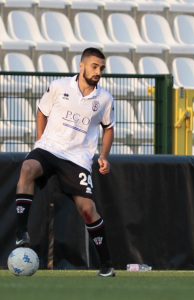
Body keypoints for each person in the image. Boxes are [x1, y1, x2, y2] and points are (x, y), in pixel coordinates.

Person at [15, 47, 115, 277]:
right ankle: (21, 232)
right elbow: (42, 111)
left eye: (101, 68)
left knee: (88, 209)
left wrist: (104, 156)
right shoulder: (59, 86)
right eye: (94, 66)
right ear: (82, 66)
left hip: (77, 158)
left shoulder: (104, 99)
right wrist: (40, 141)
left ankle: (107, 264)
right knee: (28, 167)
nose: (98, 71)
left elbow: (108, 129)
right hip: (50, 148)